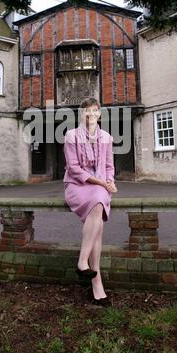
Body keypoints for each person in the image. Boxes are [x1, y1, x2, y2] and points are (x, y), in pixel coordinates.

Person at [63, 97, 118, 306]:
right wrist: (102, 183)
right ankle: (96, 281)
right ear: (82, 114)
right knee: (98, 215)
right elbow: (75, 169)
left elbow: (110, 167)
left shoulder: (106, 137)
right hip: (77, 185)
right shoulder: (71, 136)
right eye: (87, 111)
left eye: (95, 110)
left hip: (100, 186)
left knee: (98, 202)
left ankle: (85, 265)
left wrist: (110, 182)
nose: (91, 114)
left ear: (100, 114)